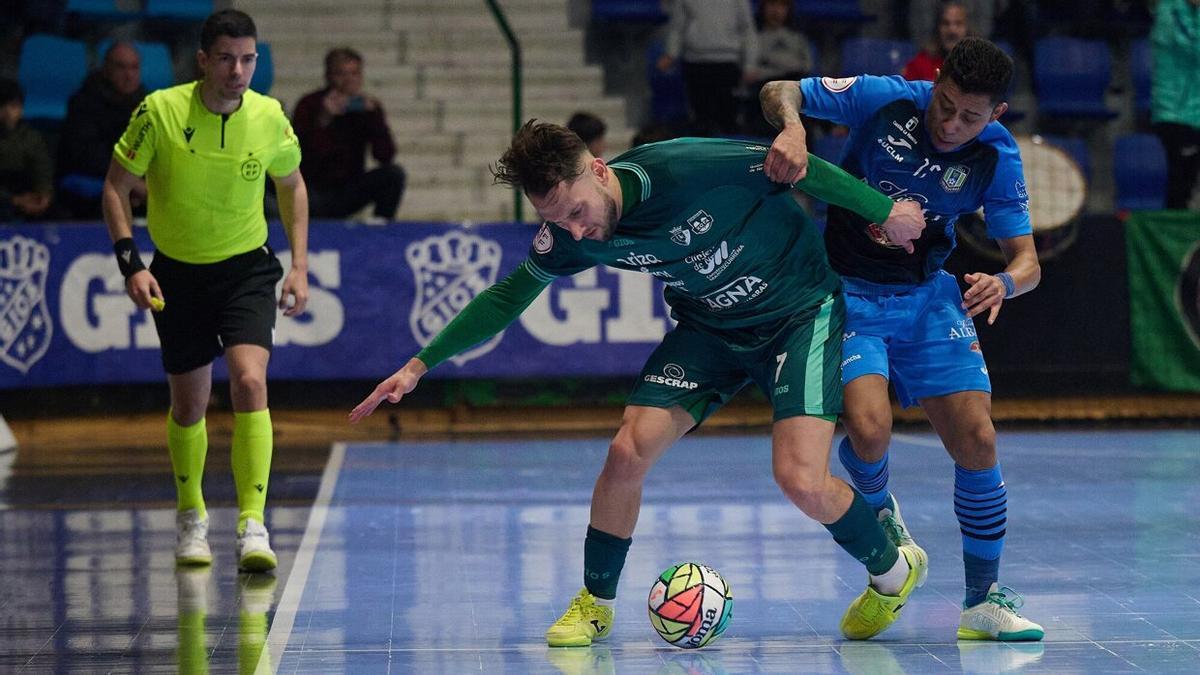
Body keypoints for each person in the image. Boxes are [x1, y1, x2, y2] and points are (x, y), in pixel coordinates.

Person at [351, 119, 930, 646]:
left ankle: (894, 570)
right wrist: (417, 366)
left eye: (576, 211)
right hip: (710, 326)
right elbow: (508, 295)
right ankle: (595, 605)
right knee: (627, 451)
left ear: (599, 170)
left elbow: (798, 165)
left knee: (801, 481)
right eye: (556, 221)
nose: (576, 231)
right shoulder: (572, 235)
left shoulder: (684, 167)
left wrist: (883, 211)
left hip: (798, 314)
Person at [759, 36, 1045, 641]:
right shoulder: (887, 99)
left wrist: (1003, 284)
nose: (950, 123)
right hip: (846, 292)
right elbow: (778, 89)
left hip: (929, 299)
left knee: (977, 438)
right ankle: (884, 519)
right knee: (868, 427)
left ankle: (983, 602)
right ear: (935, 82)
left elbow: (1027, 262)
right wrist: (793, 129)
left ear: (995, 114)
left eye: (970, 116)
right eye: (945, 104)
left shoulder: (996, 154)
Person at [102, 9, 310, 572]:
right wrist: (132, 265)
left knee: (248, 379)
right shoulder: (161, 111)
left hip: (246, 270)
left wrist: (299, 265)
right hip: (178, 274)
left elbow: (291, 186)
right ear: (203, 60)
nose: (237, 70)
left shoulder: (269, 116)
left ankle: (252, 523)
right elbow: (117, 188)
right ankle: (192, 516)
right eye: (225, 58)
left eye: (247, 59)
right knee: (189, 403)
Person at [291, 47, 405, 223]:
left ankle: (381, 228)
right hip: (314, 190)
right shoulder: (310, 104)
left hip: (349, 189)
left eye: (354, 74)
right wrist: (324, 119)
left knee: (394, 175)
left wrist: (374, 118)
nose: (348, 81)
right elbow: (299, 155)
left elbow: (385, 156)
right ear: (329, 76)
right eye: (341, 74)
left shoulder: (366, 109)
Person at [58, 42, 148, 219]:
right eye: (121, 67)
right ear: (106, 69)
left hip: (134, 182)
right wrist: (130, 182)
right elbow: (87, 155)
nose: (129, 75)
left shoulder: (147, 105)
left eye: (134, 68)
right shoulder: (83, 103)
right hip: (97, 178)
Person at [656, 0, 758, 135]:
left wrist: (750, 65)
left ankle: (728, 154)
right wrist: (671, 54)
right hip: (695, 63)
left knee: (728, 118)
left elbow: (747, 29)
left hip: (728, 64)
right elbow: (677, 27)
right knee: (701, 121)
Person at [1150, 0, 1200, 209]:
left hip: (1195, 113)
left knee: (1188, 184)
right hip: (1175, 112)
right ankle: (1171, 236)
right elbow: (1190, 48)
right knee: (1179, 183)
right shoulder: (1168, 10)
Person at [743, 0, 815, 137]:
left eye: (782, 5)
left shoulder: (797, 38)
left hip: (793, 89)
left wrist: (769, 60)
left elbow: (805, 66)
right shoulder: (753, 38)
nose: (776, 11)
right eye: (771, 5)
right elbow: (750, 74)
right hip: (762, 93)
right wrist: (784, 66)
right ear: (763, 8)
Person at [0, 78, 52, 222]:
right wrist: (12, 200)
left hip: (26, 195)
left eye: (14, 106)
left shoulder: (30, 137)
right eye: (4, 107)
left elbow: (43, 170)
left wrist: (43, 195)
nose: (9, 113)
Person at [904, 1, 971, 82]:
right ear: (937, 28)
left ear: (967, 28)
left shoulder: (979, 64)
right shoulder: (919, 64)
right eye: (946, 23)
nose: (952, 30)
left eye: (958, 23)